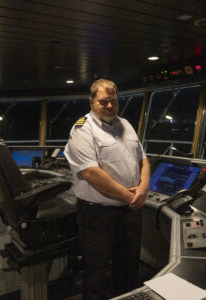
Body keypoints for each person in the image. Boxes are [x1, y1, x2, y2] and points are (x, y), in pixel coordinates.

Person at [64, 79, 150, 300]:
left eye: (113, 101)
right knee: (97, 273)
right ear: (91, 101)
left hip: (130, 210)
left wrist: (143, 187)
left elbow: (143, 159)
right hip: (98, 214)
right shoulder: (82, 129)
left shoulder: (126, 124)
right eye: (104, 101)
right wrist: (133, 197)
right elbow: (91, 173)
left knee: (128, 268)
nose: (110, 106)